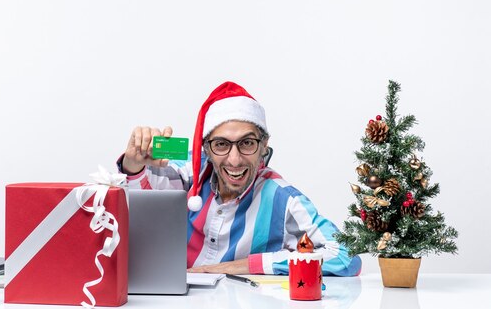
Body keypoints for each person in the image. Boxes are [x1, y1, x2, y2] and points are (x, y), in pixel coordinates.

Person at [117, 81, 362, 276]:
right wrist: (133, 164)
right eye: (221, 144)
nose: (234, 160)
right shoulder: (189, 174)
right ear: (206, 148)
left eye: (247, 143)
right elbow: (135, 200)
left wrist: (241, 265)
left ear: (264, 145)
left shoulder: (282, 198)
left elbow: (347, 255)